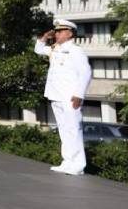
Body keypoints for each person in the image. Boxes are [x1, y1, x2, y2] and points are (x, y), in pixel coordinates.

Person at [34, 18, 92, 175]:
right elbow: (38, 49)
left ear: (69, 33)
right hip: (56, 95)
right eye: (56, 31)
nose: (57, 34)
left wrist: (79, 94)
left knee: (73, 129)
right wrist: (44, 37)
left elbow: (86, 73)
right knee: (64, 130)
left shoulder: (75, 51)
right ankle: (67, 162)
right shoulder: (55, 49)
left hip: (69, 97)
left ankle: (78, 165)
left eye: (60, 31)